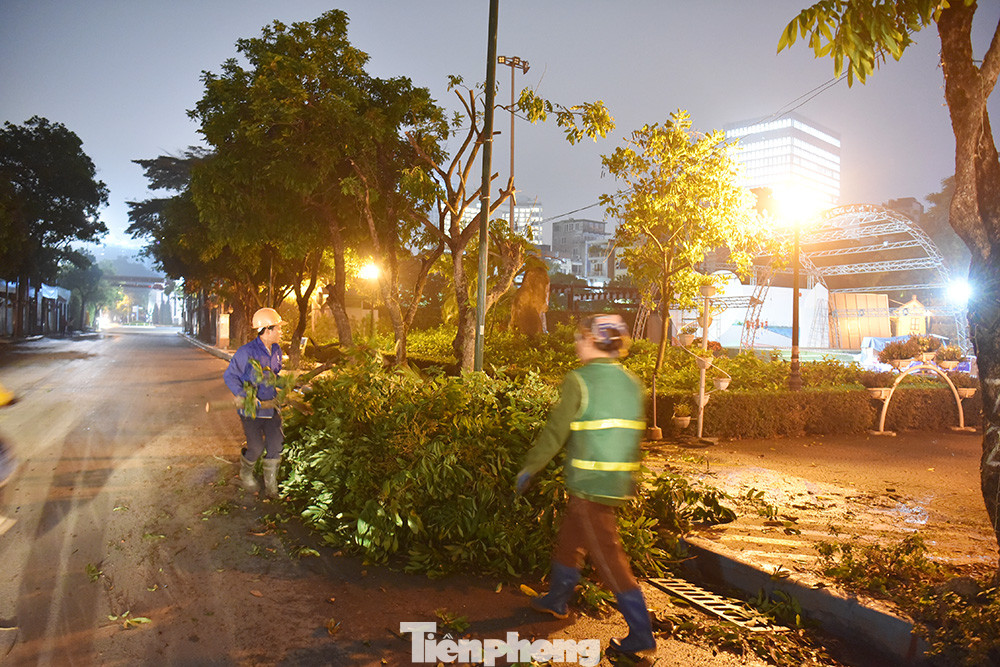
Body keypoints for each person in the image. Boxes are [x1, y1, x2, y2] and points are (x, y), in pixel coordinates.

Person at [515, 314, 655, 658]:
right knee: (571, 539)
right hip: (614, 482)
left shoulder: (579, 380)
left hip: (590, 486)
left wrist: (530, 468)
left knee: (610, 560)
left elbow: (555, 432)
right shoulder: (632, 382)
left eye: (581, 338)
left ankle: (641, 635)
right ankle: (557, 600)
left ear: (595, 342)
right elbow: (633, 436)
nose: (576, 343)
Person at [224, 307, 286, 497]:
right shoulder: (246, 352)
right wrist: (244, 395)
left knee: (276, 444)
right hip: (251, 410)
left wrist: (290, 386)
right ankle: (246, 473)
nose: (281, 332)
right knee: (257, 447)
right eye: (278, 328)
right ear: (267, 330)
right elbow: (230, 376)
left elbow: (274, 376)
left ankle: (271, 485)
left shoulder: (276, 350)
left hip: (270, 407)